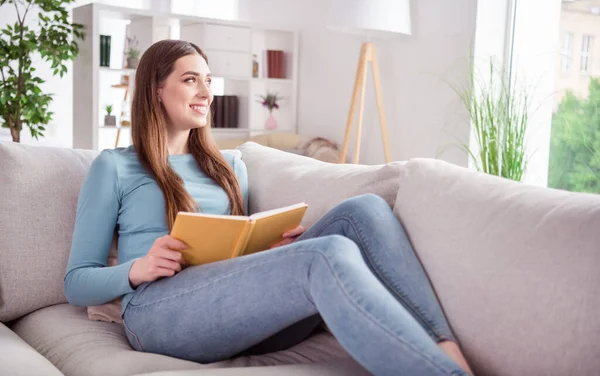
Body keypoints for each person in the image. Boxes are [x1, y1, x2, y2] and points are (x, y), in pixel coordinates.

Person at [64, 39, 474, 376]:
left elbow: (236, 255)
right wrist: (137, 270)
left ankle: (445, 347)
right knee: (324, 254)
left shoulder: (229, 167)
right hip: (156, 314)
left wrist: (269, 256)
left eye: (209, 81)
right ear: (155, 89)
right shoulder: (114, 167)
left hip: (236, 307)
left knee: (363, 211)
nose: (207, 93)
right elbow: (77, 281)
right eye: (191, 81)